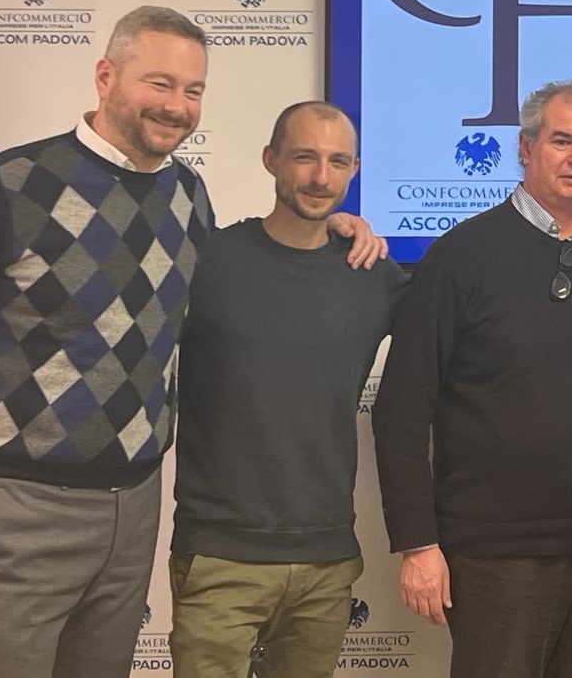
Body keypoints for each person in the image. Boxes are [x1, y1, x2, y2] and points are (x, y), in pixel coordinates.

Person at [0, 7, 379, 678]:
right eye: (159, 83)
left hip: (136, 505)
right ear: (105, 77)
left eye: (193, 90)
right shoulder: (11, 183)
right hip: (24, 504)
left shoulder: (189, 196)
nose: (177, 105)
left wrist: (336, 228)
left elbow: (217, 299)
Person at [372, 80, 572, 678]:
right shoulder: (460, 256)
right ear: (526, 148)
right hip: (498, 550)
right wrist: (418, 543)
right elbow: (401, 408)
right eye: (562, 141)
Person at [166, 102, 407, 677]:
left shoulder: (372, 274)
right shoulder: (206, 259)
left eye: (338, 161)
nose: (321, 177)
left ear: (354, 170)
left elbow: (469, 339)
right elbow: (110, 337)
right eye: (304, 157)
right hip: (220, 554)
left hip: (327, 560)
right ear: (271, 159)